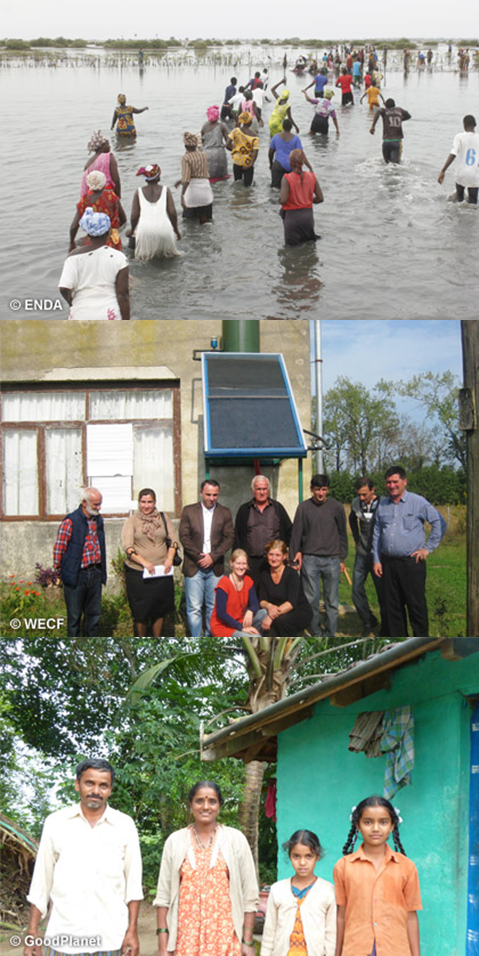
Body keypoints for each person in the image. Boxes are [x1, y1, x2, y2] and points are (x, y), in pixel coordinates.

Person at [24, 758, 142, 956]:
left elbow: (133, 885)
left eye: (103, 785)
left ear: (110, 789)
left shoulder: (124, 825)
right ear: (77, 785)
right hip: (64, 938)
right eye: (90, 783)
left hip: (111, 939)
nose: (96, 790)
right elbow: (41, 883)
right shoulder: (56, 823)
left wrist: (132, 931)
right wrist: (33, 931)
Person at [154, 780, 258, 956]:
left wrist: (247, 941)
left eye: (212, 801)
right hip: (185, 941)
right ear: (191, 804)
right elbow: (163, 897)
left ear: (219, 805)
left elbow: (250, 894)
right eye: (199, 800)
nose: (206, 806)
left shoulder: (235, 840)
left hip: (225, 939)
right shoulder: (175, 841)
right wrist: (164, 946)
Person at [333, 796, 422, 956]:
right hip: (355, 949)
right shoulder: (344, 866)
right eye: (368, 822)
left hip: (395, 949)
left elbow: (411, 917)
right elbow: (341, 916)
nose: (375, 828)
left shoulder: (407, 867)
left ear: (392, 826)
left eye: (383, 822)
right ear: (357, 825)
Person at [372, 465, 446, 637]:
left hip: (412, 563)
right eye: (388, 482)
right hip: (388, 563)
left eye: (395, 481)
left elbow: (439, 522)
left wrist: (427, 549)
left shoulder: (418, 502)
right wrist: (376, 559)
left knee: (416, 605)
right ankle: (399, 641)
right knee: (394, 607)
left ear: (404, 482)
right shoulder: (383, 505)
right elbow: (377, 534)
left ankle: (421, 641)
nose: (392, 485)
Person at [290, 474, 348, 639]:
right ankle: (315, 631)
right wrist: (293, 559)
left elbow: (343, 534)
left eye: (323, 489)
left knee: (332, 601)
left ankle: (330, 632)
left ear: (328, 490)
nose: (321, 493)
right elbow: (296, 534)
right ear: (311, 490)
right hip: (310, 560)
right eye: (317, 489)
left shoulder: (336, 507)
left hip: (332, 559)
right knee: (311, 600)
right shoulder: (303, 508)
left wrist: (342, 558)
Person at [261, 829, 336, 956]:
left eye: (309, 856)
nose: (302, 863)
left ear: (317, 857)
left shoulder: (327, 890)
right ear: (290, 856)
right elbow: (269, 932)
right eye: (296, 856)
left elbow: (331, 934)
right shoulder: (277, 889)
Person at [179, 479, 234, 636]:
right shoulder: (189, 511)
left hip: (215, 567)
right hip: (193, 566)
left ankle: (210, 637)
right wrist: (199, 557)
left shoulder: (225, 512)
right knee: (194, 607)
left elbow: (229, 537)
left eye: (215, 495)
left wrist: (213, 557)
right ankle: (196, 638)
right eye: (208, 494)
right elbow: (184, 536)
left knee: (213, 606)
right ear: (201, 493)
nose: (212, 498)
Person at [121, 487, 178, 637]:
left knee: (159, 609)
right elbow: (128, 547)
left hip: (161, 572)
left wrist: (169, 558)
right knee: (141, 611)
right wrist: (144, 562)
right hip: (138, 573)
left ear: (155, 502)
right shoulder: (132, 521)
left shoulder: (163, 518)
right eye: (143, 502)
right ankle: (141, 638)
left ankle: (157, 637)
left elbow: (174, 542)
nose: (146, 506)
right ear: (139, 503)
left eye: (150, 502)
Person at [53, 487, 106, 636]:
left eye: (100, 504)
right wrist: (59, 571)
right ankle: (73, 649)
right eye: (96, 504)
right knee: (74, 618)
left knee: (93, 616)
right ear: (84, 502)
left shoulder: (98, 520)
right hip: (77, 575)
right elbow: (59, 548)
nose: (99, 507)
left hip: (95, 572)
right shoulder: (70, 521)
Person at [59, 208, 129, 320]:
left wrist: (71, 302)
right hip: (108, 313)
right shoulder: (118, 257)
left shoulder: (73, 257)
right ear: (108, 232)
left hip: (81, 314)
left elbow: (63, 288)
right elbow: (123, 295)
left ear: (88, 233)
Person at [234, 475, 293, 585]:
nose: (262, 492)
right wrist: (238, 561)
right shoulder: (244, 510)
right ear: (253, 491)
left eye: (264, 489)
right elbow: (237, 536)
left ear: (268, 490)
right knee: (253, 595)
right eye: (258, 489)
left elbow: (290, 531)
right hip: (252, 562)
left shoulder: (277, 508)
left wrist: (288, 555)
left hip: (274, 562)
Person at [349, 477, 388, 637]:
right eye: (360, 495)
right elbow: (352, 519)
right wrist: (357, 540)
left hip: (379, 555)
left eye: (365, 494)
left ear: (373, 490)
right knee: (356, 589)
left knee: (382, 592)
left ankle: (386, 626)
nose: (362, 498)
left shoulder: (385, 504)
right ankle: (368, 622)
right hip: (362, 554)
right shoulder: (356, 503)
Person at [258, 540, 313, 637]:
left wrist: (271, 616)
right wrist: (269, 606)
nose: (274, 558)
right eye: (271, 554)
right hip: (277, 611)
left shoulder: (291, 574)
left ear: (284, 556)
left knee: (280, 621)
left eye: (277, 555)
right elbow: (262, 600)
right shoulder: (264, 575)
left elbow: (291, 603)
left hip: (297, 611)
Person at [210, 549, 267, 638]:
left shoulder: (248, 581)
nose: (241, 567)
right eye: (238, 563)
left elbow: (255, 604)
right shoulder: (224, 583)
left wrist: (250, 610)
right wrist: (240, 627)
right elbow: (221, 613)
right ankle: (251, 635)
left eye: (244, 564)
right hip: (224, 626)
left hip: (240, 620)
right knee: (257, 637)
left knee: (263, 613)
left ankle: (252, 634)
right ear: (231, 564)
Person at [128, 164, 181, 259]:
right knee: (168, 260)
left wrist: (132, 231)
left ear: (145, 179)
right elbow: (172, 213)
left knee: (145, 261)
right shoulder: (166, 190)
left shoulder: (138, 192)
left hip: (145, 232)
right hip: (165, 230)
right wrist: (176, 230)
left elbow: (134, 216)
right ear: (159, 177)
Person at [70, 170, 126, 252]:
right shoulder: (112, 197)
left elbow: (74, 226)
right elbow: (123, 219)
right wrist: (113, 228)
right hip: (112, 240)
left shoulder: (84, 201)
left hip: (93, 242)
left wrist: (71, 243)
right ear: (104, 184)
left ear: (88, 185)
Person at [279, 149, 324, 247]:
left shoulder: (287, 178)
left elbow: (283, 200)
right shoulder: (312, 177)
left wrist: (279, 199)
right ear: (303, 162)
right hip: (308, 219)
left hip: (292, 220)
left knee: (291, 252)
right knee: (309, 248)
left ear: (290, 163)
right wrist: (307, 200)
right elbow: (320, 198)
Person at [438, 114, 479, 204]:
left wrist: (443, 170)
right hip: (474, 176)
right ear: (475, 125)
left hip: (461, 174)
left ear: (464, 125)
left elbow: (453, 154)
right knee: (473, 204)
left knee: (459, 202)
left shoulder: (459, 137)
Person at [177, 132, 214, 223]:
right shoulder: (203, 155)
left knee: (189, 223)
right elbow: (199, 172)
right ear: (196, 145)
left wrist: (182, 196)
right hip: (205, 190)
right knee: (206, 222)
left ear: (185, 146)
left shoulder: (186, 158)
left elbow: (186, 179)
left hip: (193, 193)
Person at [80, 131, 121, 198]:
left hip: (92, 196)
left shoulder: (88, 163)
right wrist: (118, 195)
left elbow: (85, 185)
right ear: (102, 147)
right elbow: (116, 179)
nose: (109, 147)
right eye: (107, 144)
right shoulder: (109, 157)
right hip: (108, 194)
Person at [370, 98, 411, 164]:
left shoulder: (384, 111)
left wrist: (373, 126)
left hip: (386, 142)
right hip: (396, 141)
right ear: (394, 105)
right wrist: (400, 119)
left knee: (387, 164)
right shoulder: (399, 110)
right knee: (395, 165)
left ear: (386, 105)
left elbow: (378, 112)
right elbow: (409, 116)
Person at [268, 119, 306, 187]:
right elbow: (300, 154)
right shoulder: (296, 139)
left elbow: (270, 153)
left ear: (282, 127)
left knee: (275, 189)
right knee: (290, 189)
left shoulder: (276, 137)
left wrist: (271, 164)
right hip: (291, 166)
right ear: (291, 127)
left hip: (277, 165)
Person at [226, 112, 260, 186]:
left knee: (237, 184)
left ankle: (238, 197)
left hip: (237, 161)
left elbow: (227, 145)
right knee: (248, 186)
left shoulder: (235, 131)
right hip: (248, 163)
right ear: (250, 122)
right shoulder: (254, 136)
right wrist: (251, 164)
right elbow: (255, 151)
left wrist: (236, 150)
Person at [201, 105, 230, 181]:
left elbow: (202, 142)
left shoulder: (204, 126)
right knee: (221, 179)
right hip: (219, 153)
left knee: (209, 178)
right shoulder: (222, 126)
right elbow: (228, 141)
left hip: (207, 153)